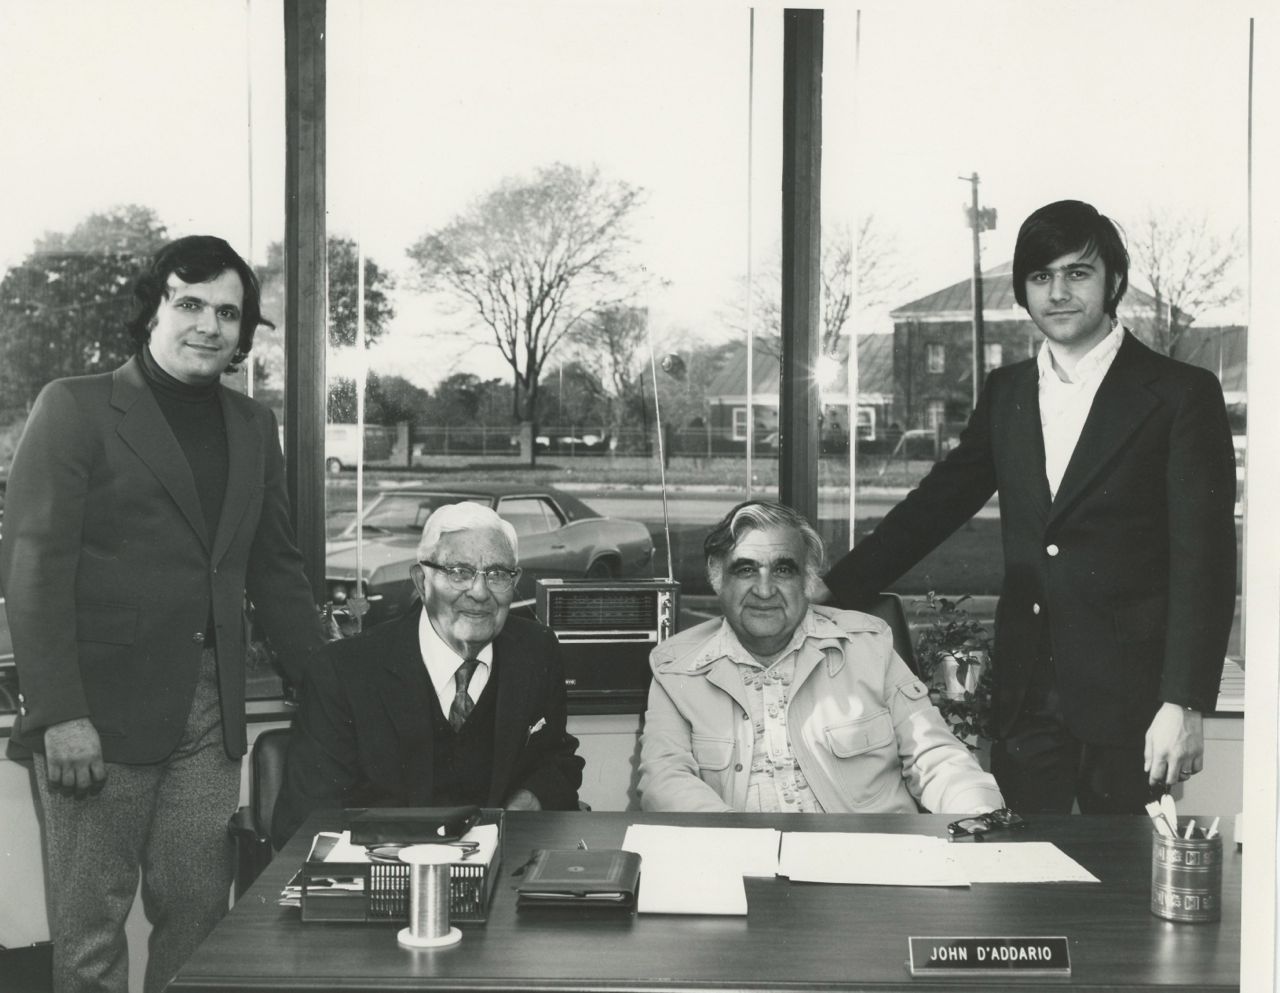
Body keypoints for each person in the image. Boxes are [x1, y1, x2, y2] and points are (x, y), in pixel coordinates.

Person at [821, 199, 1237, 815]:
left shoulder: (1180, 394)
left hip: (1135, 703)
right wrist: (833, 588)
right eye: (1041, 277)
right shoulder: (1008, 391)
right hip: (1026, 695)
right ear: (1022, 291)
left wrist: (1185, 701)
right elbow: (936, 505)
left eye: (1078, 273)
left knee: (1122, 897)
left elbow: (1205, 561)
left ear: (1114, 281)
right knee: (1019, 889)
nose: (1058, 292)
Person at [0, 236, 326, 993]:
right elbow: (34, 568)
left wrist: (325, 681)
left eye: (228, 312)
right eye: (189, 303)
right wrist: (60, 713)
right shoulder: (75, 406)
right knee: (90, 934)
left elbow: (275, 570)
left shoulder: (255, 426)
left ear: (244, 332)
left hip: (211, 721)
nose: (208, 325)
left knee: (200, 917)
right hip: (95, 718)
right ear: (153, 309)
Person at [638, 501, 1002, 815]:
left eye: (783, 569)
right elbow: (666, 781)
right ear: (718, 580)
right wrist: (741, 843)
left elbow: (935, 757)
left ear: (808, 582)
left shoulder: (868, 647)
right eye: (746, 569)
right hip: (741, 864)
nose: (764, 590)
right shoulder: (676, 669)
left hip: (868, 866)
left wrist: (979, 815)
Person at [272, 502, 584, 848]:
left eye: (497, 574)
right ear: (422, 581)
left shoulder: (536, 651)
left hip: (502, 872)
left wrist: (527, 801)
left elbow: (558, 760)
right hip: (383, 880)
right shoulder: (343, 671)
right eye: (459, 572)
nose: (480, 593)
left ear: (516, 582)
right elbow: (306, 821)